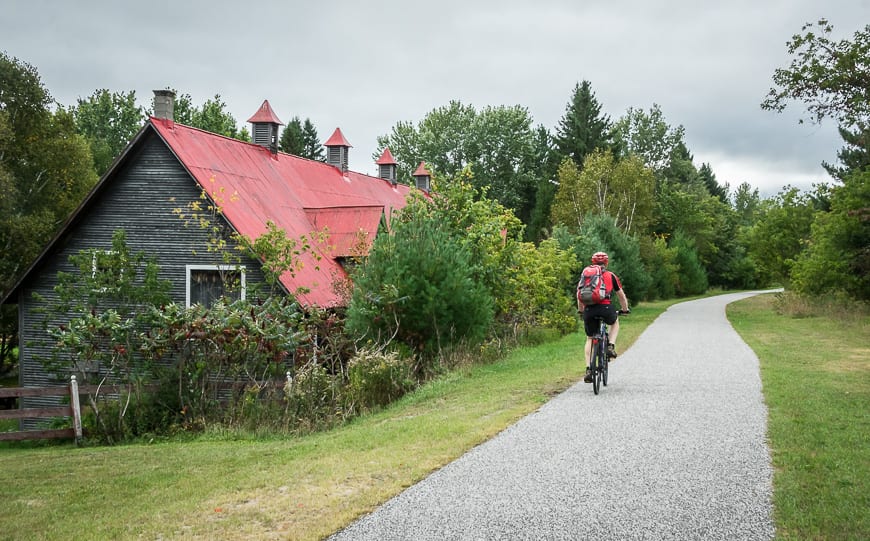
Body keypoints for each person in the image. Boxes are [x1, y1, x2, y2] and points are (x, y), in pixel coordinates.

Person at [577, 251, 630, 383]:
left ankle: (589, 369)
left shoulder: (586, 276)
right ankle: (610, 346)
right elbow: (621, 296)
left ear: (593, 262)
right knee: (615, 322)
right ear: (606, 262)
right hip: (606, 308)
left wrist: (581, 311)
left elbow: (580, 294)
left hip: (589, 310)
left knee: (590, 338)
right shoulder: (611, 276)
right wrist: (625, 309)